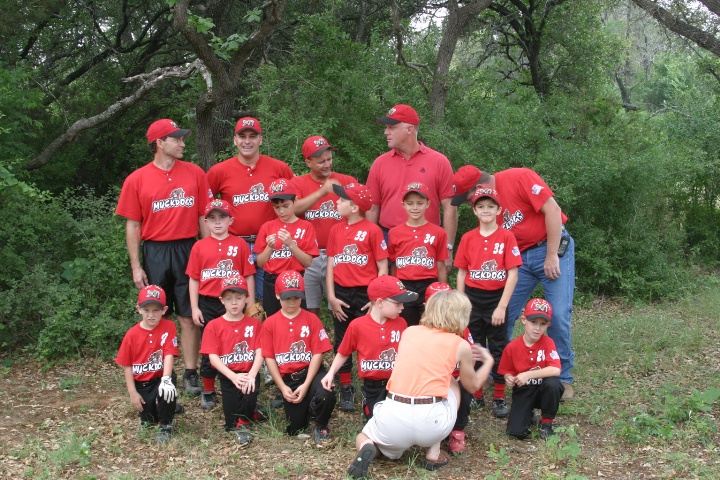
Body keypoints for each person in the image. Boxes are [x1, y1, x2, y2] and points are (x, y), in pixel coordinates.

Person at [451, 165, 576, 400]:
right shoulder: (487, 210)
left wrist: (551, 255)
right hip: (518, 259)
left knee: (558, 314)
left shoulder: (519, 178)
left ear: (479, 187)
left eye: (468, 199)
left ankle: (562, 377)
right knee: (501, 315)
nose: (470, 205)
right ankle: (496, 372)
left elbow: (553, 210)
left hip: (549, 247)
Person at [346, 290, 494, 479]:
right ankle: (434, 452)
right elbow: (472, 386)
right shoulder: (460, 344)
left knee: (364, 436)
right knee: (451, 382)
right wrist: (488, 361)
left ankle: (369, 446)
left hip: (394, 417)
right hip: (430, 424)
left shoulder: (409, 332)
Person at [116, 118, 212, 396]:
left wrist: (209, 253)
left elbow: (203, 216)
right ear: (159, 143)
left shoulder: (195, 173)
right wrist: (136, 266)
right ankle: (160, 374)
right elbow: (133, 225)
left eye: (182, 139)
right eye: (176, 139)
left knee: (188, 316)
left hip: (188, 248)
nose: (182, 144)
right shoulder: (137, 179)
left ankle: (191, 373)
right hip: (156, 250)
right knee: (156, 315)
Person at [206, 117, 294, 303]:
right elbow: (205, 209)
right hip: (235, 243)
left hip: (271, 243)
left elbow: (296, 200)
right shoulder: (219, 171)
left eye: (252, 136)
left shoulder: (279, 168)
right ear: (235, 140)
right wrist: (210, 242)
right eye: (242, 136)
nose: (247, 141)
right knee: (235, 298)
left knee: (270, 298)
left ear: (260, 140)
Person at [454, 185, 522, 418]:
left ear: (498, 210)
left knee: (498, 345)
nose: (486, 210)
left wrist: (502, 306)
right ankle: (477, 392)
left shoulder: (506, 237)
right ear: (474, 210)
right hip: (472, 298)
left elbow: (513, 273)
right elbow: (462, 272)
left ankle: (499, 395)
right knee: (473, 346)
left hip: (496, 298)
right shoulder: (468, 238)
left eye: (490, 206)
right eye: (481, 206)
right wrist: (462, 302)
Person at [366, 104, 457, 272]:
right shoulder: (380, 163)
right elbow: (372, 209)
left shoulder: (439, 162)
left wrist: (448, 247)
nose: (386, 132)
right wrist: (370, 247)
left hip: (427, 239)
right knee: (388, 288)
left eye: (392, 127)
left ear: (409, 129)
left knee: (428, 288)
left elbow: (450, 207)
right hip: (388, 238)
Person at [186, 199, 257, 410]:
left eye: (222, 217)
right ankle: (208, 390)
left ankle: (242, 382)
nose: (218, 222)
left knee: (239, 343)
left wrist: (250, 303)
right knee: (210, 347)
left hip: (235, 302)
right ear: (205, 222)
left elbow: (249, 274)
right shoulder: (199, 246)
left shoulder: (239, 244)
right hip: (208, 302)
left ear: (231, 220)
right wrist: (195, 307)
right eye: (212, 218)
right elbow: (194, 278)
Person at [326, 182, 389, 412]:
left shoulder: (372, 230)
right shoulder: (335, 230)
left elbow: (383, 267)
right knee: (342, 340)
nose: (337, 202)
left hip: (366, 294)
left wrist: (375, 299)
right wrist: (331, 297)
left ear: (354, 207)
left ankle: (370, 386)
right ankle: (345, 386)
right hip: (341, 293)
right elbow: (331, 265)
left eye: (342, 200)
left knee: (369, 340)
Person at [321, 276, 415, 420]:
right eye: (397, 303)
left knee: (397, 422)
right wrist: (331, 373)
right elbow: (343, 352)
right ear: (380, 302)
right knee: (375, 421)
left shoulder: (401, 323)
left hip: (397, 385)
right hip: (372, 387)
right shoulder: (357, 325)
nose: (402, 307)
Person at [260, 271, 336, 445]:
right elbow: (269, 357)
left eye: (296, 297)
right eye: (287, 298)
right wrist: (282, 387)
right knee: (296, 428)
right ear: (277, 295)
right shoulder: (270, 323)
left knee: (326, 393)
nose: (292, 302)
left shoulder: (311, 319)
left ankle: (321, 424)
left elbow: (318, 353)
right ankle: (308, 408)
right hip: (289, 379)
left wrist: (307, 384)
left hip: (311, 373)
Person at [292, 136, 358, 317]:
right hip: (309, 255)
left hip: (340, 254)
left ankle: (338, 336)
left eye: (329, 159)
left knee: (339, 306)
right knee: (309, 308)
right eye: (321, 162)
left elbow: (362, 209)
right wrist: (322, 192)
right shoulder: (298, 183)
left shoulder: (346, 180)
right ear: (308, 162)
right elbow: (293, 209)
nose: (327, 164)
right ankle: (313, 335)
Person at [199, 275, 264, 446]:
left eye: (238, 298)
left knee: (248, 396)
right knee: (230, 424)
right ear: (221, 300)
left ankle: (244, 424)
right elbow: (213, 357)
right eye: (228, 299)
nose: (234, 303)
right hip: (229, 375)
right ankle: (253, 414)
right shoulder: (214, 326)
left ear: (247, 298)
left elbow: (260, 351)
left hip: (249, 373)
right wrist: (233, 377)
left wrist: (252, 374)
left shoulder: (254, 324)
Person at [116, 285, 180, 442]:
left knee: (167, 389)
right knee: (149, 420)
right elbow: (127, 365)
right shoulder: (131, 334)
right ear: (139, 309)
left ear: (164, 310)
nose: (151, 315)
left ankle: (166, 424)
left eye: (156, 310)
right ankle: (162, 408)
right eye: (146, 310)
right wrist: (132, 392)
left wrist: (166, 379)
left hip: (160, 377)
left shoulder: (169, 326)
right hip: (143, 383)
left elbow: (169, 353)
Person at [498, 298, 564, 439]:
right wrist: (508, 378)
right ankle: (529, 412)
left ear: (548, 325)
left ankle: (546, 423)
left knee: (553, 384)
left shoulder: (548, 343)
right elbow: (506, 371)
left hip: (543, 389)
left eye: (542, 324)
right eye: (533, 322)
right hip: (524, 390)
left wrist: (527, 374)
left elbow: (556, 369)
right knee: (516, 432)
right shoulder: (512, 347)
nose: (537, 328)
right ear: (524, 320)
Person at [253, 179, 319, 318]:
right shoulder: (267, 227)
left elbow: (307, 262)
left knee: (297, 318)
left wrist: (291, 245)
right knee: (273, 318)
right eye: (276, 207)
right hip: (271, 280)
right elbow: (260, 263)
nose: (281, 211)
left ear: (295, 201)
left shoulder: (306, 226)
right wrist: (269, 248)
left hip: (295, 280)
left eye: (285, 206)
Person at [423, 282, 474, 455]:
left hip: (456, 376)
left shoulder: (462, 329)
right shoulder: (422, 330)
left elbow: (471, 356)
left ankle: (457, 431)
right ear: (427, 305)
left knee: (465, 386)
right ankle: (428, 430)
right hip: (433, 378)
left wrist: (464, 374)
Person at [388, 182, 449, 326]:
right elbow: (393, 264)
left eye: (420, 203)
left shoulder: (438, 232)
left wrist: (443, 293)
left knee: (431, 325)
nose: (415, 207)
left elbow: (441, 266)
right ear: (403, 204)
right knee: (406, 325)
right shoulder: (394, 232)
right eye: (410, 203)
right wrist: (394, 289)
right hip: (404, 284)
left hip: (429, 284)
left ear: (428, 204)